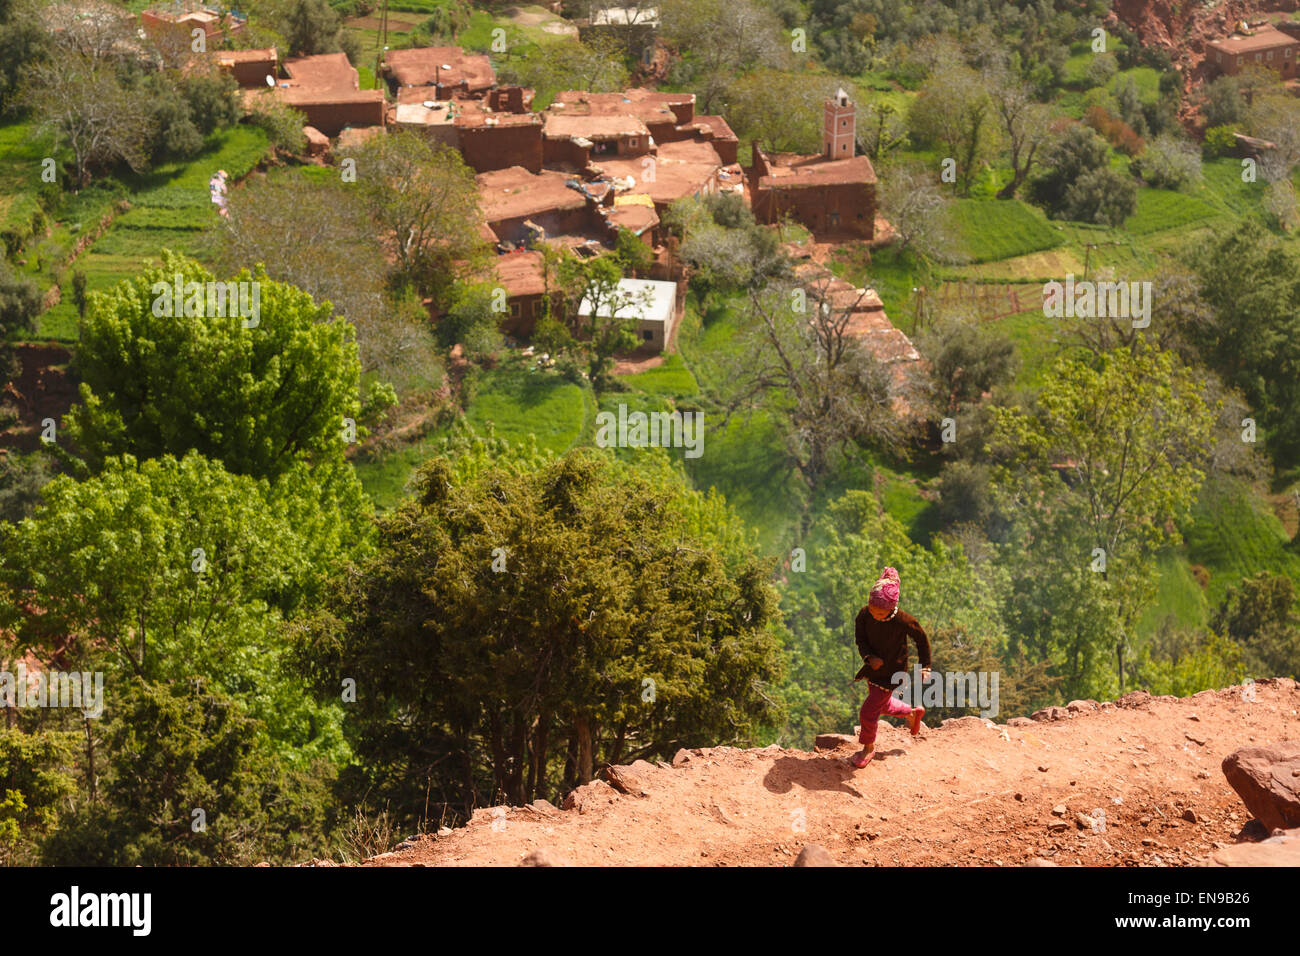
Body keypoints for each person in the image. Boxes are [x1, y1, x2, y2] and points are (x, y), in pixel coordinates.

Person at [848, 567, 931, 768]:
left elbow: (921, 639)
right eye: (872, 608)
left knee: (868, 712)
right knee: (881, 704)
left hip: (892, 672)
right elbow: (861, 639)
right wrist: (869, 657)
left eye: (880, 611)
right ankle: (911, 713)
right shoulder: (865, 614)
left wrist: (925, 665)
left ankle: (868, 748)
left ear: (891, 607)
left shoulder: (903, 620)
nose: (875, 614)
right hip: (873, 668)